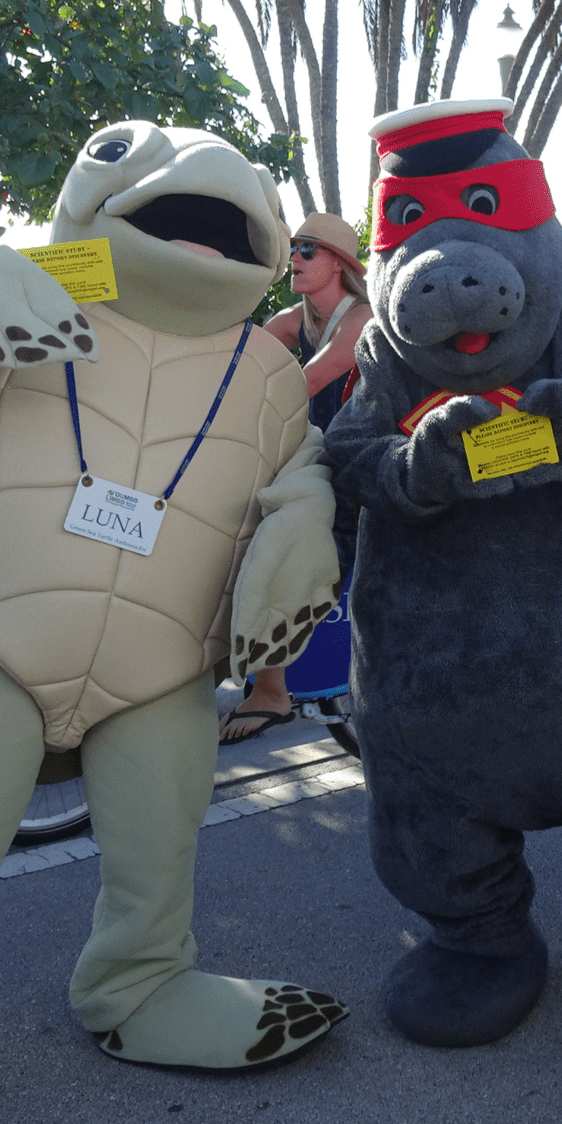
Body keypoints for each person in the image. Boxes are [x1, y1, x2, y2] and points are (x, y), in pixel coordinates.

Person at [221, 212, 371, 742]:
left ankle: (273, 691)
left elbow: (303, 384)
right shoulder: (294, 318)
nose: (296, 259)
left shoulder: (358, 321)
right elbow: (244, 367)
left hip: (356, 459)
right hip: (310, 453)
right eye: (294, 249)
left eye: (308, 250)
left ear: (339, 265)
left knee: (288, 527)